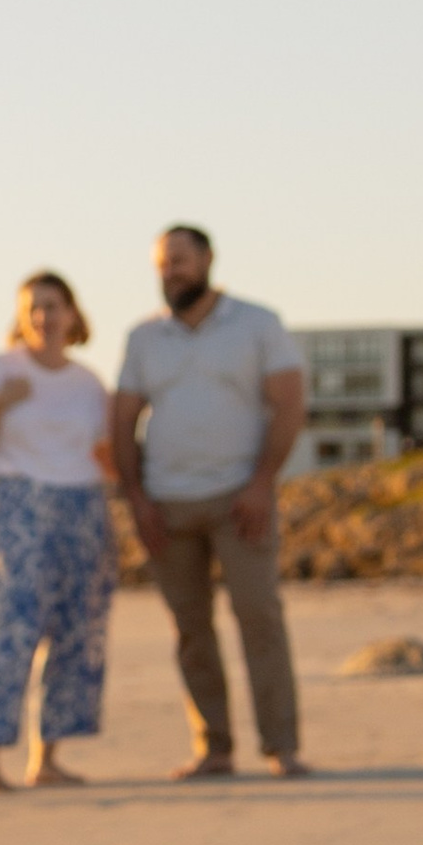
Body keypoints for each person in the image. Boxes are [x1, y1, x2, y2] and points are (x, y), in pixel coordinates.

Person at [112, 227, 310, 778]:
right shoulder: (143, 339)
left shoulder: (257, 324)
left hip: (239, 499)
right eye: (161, 263)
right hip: (167, 504)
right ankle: (214, 748)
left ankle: (282, 746)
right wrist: (136, 498)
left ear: (206, 260)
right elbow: (123, 418)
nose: (169, 271)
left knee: (259, 617)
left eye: (178, 260)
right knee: (190, 630)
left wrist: (261, 482)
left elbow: (291, 403)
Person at [0, 271, 117, 793]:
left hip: (83, 505)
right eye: (32, 308)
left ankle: (46, 758)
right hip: (21, 503)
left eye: (52, 305)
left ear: (72, 314)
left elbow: (105, 454)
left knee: (74, 632)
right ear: (20, 318)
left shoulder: (89, 383)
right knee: (16, 631)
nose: (43, 317)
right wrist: (1, 403)